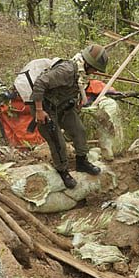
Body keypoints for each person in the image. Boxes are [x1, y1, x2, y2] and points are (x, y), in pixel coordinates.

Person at [31, 44, 109, 189]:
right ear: (87, 63)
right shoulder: (66, 70)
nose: (95, 71)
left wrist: (78, 102)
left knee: (79, 131)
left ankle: (81, 161)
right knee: (57, 142)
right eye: (94, 68)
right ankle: (63, 171)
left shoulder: (81, 76)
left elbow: (75, 90)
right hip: (45, 107)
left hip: (63, 106)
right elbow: (40, 84)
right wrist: (39, 110)